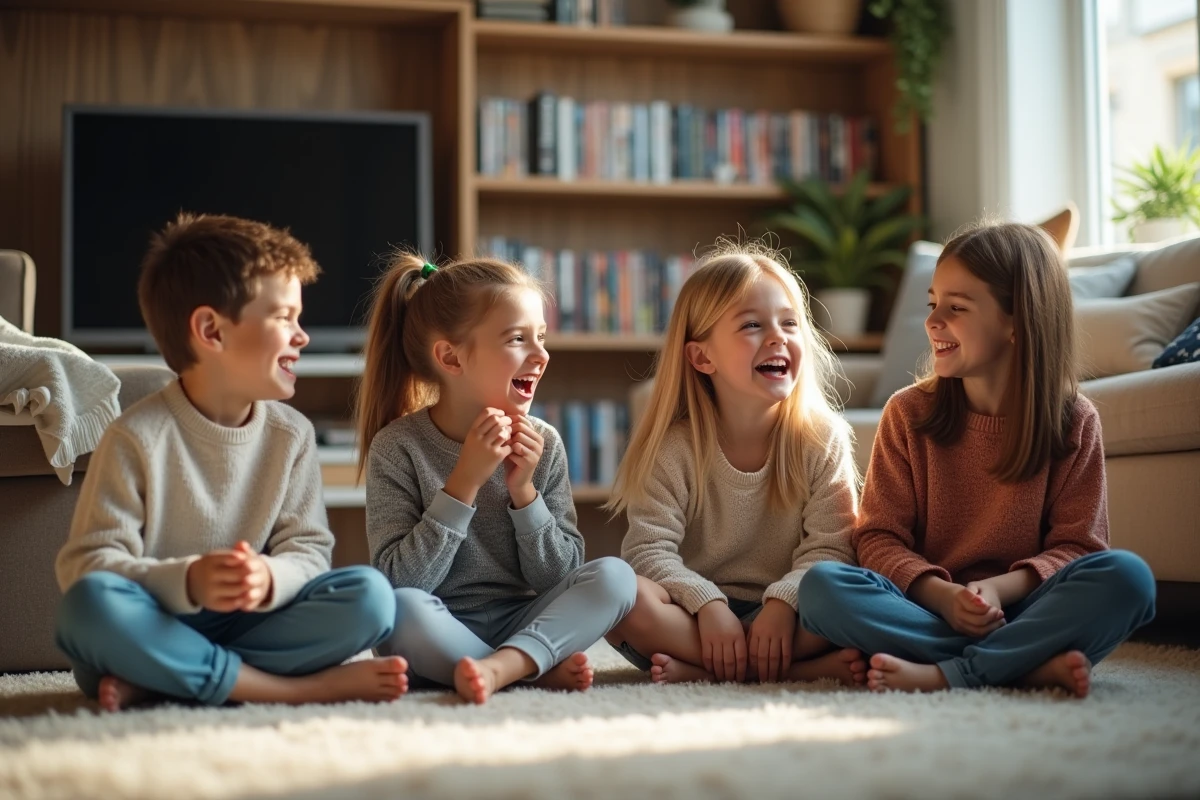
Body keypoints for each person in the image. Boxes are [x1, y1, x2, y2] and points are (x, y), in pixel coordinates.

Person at [55, 213, 404, 712]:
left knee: (372, 596)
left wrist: (267, 578)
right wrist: (190, 580)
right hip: (153, 622)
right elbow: (88, 566)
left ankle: (167, 679)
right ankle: (292, 690)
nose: (301, 336)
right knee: (88, 607)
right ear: (211, 331)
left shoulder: (292, 436)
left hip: (243, 622)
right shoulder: (134, 437)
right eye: (284, 317)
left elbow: (307, 553)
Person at [798, 222, 1156, 697]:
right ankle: (1022, 664)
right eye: (932, 303)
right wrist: (946, 596)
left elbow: (1080, 548)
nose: (932, 321)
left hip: (1026, 607)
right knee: (822, 588)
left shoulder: (1074, 420)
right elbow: (879, 539)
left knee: (1129, 579)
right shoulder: (908, 413)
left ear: (1015, 321)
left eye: (957, 307)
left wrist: (999, 590)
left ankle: (953, 672)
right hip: (925, 606)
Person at [358, 254, 636, 704]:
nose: (541, 355)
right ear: (451, 357)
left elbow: (560, 578)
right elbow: (400, 582)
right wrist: (462, 484)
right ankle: (529, 666)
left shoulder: (544, 443)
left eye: (541, 337)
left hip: (523, 618)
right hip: (437, 621)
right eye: (517, 339)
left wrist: (525, 495)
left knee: (617, 577)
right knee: (398, 608)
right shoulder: (398, 447)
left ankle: (502, 667)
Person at [604, 242, 864, 686]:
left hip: (791, 614)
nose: (777, 336)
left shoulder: (823, 439)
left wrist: (783, 603)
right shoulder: (674, 448)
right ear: (702, 357)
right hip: (694, 615)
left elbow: (833, 548)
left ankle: (709, 669)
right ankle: (791, 670)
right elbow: (648, 551)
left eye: (789, 323)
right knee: (620, 595)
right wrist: (709, 604)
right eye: (751, 325)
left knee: (850, 595)